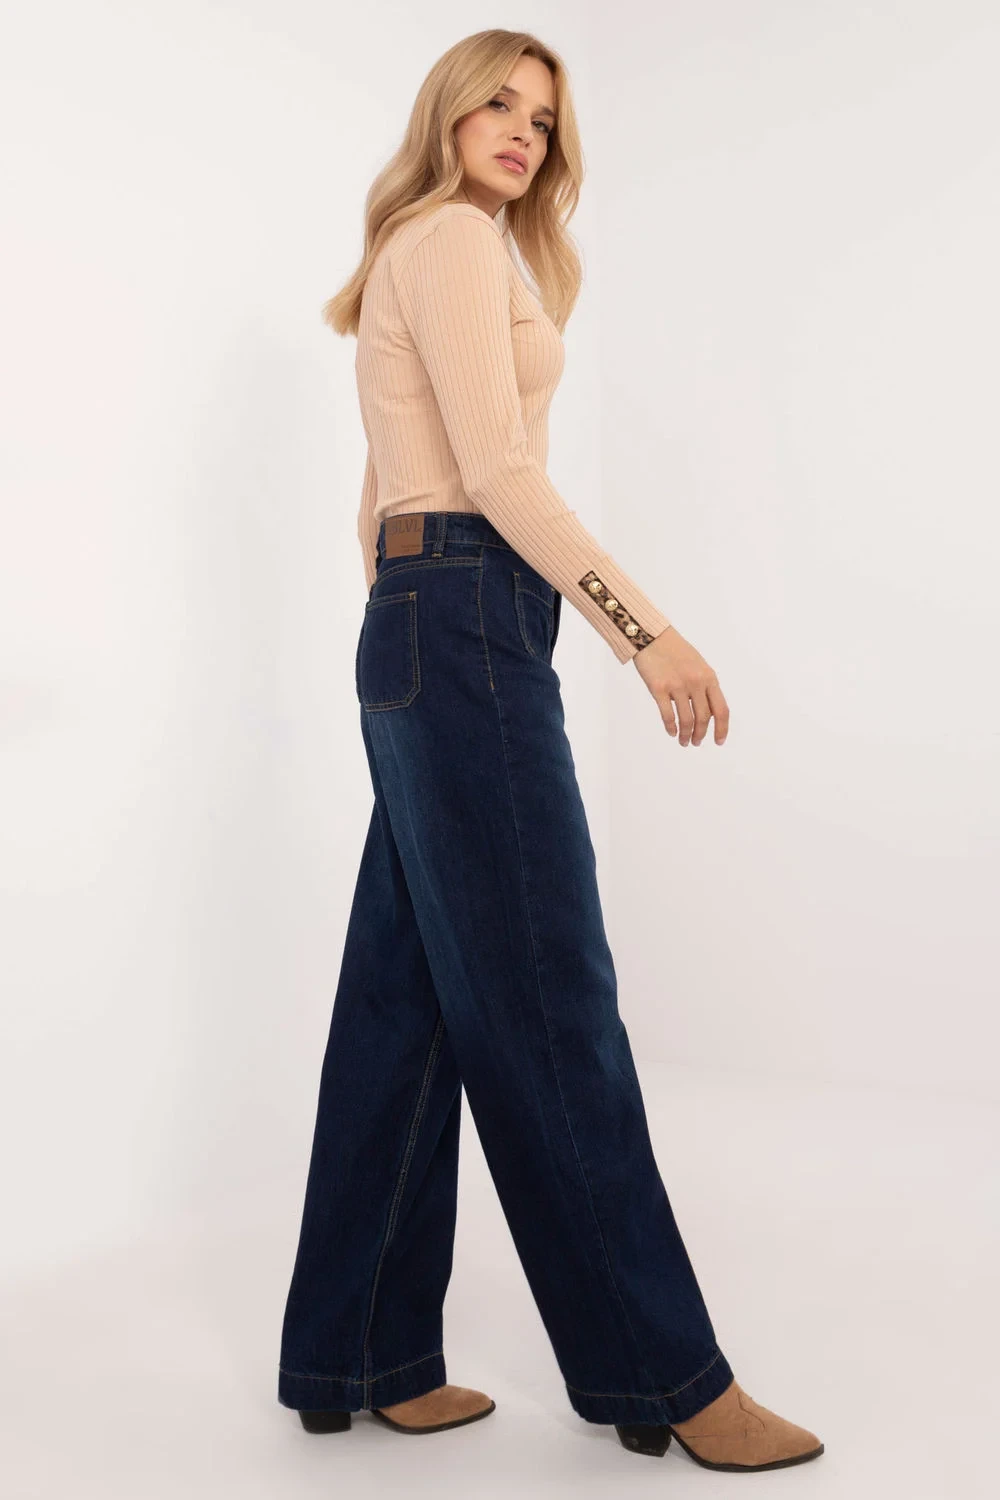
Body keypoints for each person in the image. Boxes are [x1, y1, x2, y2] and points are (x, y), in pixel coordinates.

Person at [277, 29, 824, 1472]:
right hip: (464, 625)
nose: (523, 131)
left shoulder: (423, 247)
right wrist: (647, 635)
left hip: (427, 625)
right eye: (499, 104)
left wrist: (412, 632)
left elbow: (379, 499)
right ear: (449, 115)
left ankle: (357, 1351)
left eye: (544, 115)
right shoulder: (453, 240)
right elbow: (500, 474)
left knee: (406, 1008)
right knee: (552, 1000)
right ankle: (666, 1377)